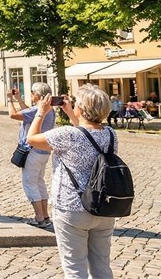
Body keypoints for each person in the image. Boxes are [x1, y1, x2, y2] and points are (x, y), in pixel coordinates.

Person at [27, 84, 116, 279]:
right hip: (103, 207)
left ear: (82, 109)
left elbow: (31, 139)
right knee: (102, 267)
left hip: (72, 207)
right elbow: (86, 134)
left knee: (75, 268)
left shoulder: (67, 134)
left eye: (76, 104)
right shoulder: (110, 134)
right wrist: (70, 112)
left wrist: (40, 112)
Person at [8, 83, 56, 228]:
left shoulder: (37, 110)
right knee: (39, 182)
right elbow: (28, 112)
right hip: (43, 152)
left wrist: (9, 100)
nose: (30, 95)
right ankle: (45, 216)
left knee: (30, 183)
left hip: (32, 151)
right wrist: (18, 99)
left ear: (38, 95)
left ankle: (39, 217)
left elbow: (13, 115)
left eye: (32, 92)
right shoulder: (49, 109)